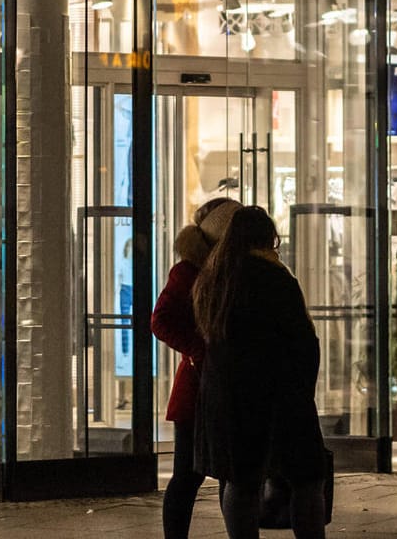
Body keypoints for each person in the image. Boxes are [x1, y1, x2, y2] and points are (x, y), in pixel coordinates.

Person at [192, 207, 327, 539]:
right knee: (307, 479)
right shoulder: (274, 277)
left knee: (241, 480)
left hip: (226, 395)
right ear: (269, 237)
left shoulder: (214, 279)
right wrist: (302, 390)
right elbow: (301, 340)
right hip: (278, 395)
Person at [152, 196, 242, 539]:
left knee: (229, 471)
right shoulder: (189, 272)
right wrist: (198, 350)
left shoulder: (231, 270)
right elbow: (161, 320)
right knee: (189, 473)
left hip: (227, 383)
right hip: (199, 386)